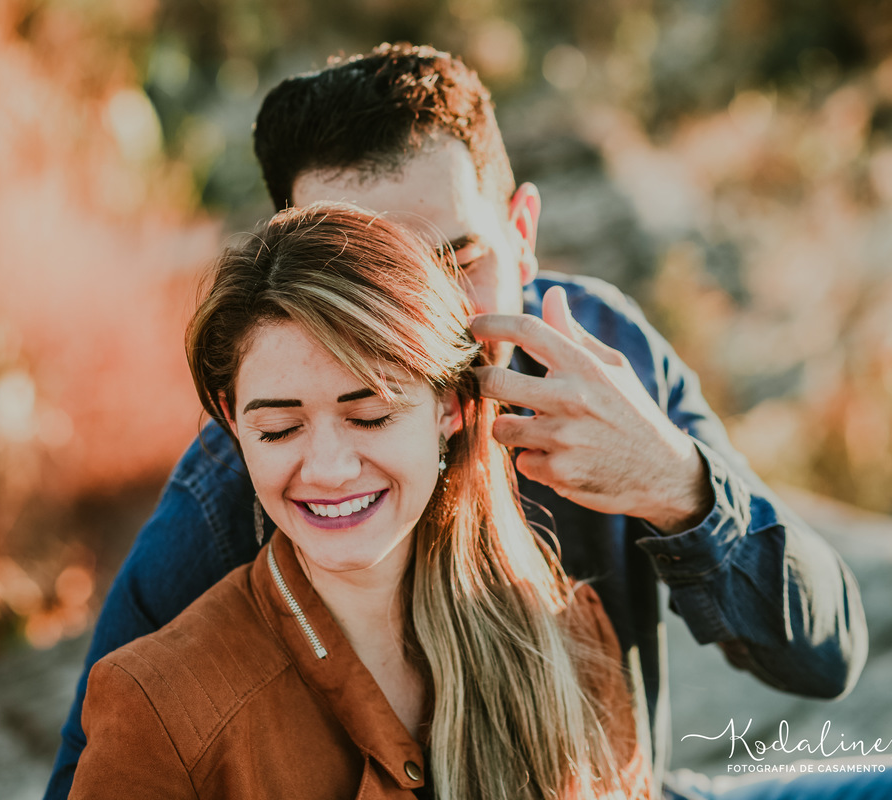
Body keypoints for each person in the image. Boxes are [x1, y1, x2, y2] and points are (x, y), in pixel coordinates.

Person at [46, 43, 868, 799]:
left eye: (458, 261)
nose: (423, 320)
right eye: (367, 281)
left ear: (522, 233)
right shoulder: (247, 481)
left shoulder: (608, 355)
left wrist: (678, 485)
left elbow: (824, 657)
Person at [69, 203, 652, 799]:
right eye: (278, 429)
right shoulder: (159, 710)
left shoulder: (569, 635)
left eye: (369, 416)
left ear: (449, 406)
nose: (327, 470)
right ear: (231, 419)